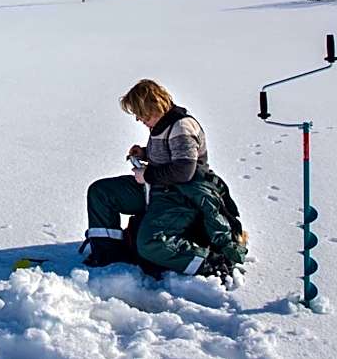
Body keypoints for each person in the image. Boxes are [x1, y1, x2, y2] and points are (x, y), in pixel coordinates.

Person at [81, 79, 247, 277]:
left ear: (152, 106)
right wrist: (144, 154)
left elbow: (184, 171)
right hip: (157, 189)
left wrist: (148, 175)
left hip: (181, 196)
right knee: (102, 192)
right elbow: (169, 156)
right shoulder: (161, 125)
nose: (138, 119)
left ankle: (210, 263)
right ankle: (108, 253)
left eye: (140, 113)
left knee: (150, 243)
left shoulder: (182, 128)